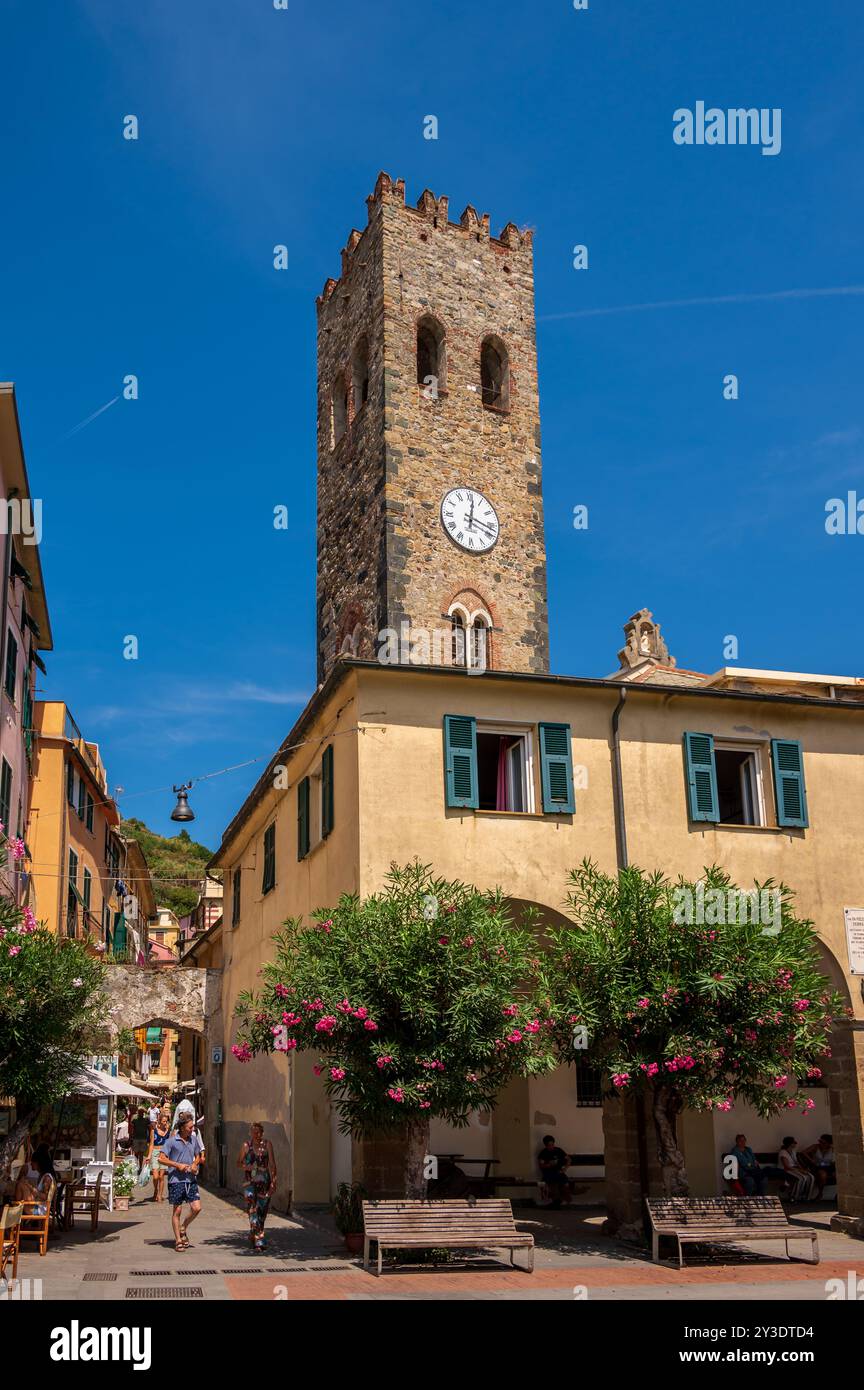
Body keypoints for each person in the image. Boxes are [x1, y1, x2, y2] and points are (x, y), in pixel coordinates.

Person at [159, 1114, 206, 1252]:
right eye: (190, 1127)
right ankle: (178, 1240)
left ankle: (183, 1227)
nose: (192, 1129)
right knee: (177, 1210)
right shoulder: (172, 1141)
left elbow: (198, 1155)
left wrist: (195, 1164)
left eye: (192, 1127)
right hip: (176, 1180)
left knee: (197, 1208)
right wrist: (176, 1165)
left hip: (190, 1179)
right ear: (182, 1128)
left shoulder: (193, 1139)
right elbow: (161, 1159)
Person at [237, 1122, 277, 1251]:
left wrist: (273, 1182)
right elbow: (238, 1163)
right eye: (253, 1132)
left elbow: (272, 1164)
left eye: (258, 1132)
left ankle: (254, 1232)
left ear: (262, 1133)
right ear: (250, 1133)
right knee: (252, 1208)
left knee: (262, 1210)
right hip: (250, 1182)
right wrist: (247, 1167)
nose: (256, 1134)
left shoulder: (267, 1145)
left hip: (264, 1182)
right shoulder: (245, 1146)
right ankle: (259, 1239)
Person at [14, 1147, 55, 1215]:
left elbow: (46, 1197)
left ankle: (16, 1209)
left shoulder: (47, 1178)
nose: (30, 1164)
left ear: (38, 1163)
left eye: (32, 1161)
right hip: (38, 1206)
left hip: (39, 1210)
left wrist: (30, 1187)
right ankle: (16, 1208)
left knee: (21, 1184)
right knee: (21, 1184)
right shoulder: (43, 1176)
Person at [537, 1134, 572, 1208]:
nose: (551, 1147)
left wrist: (565, 1168)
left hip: (558, 1172)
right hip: (548, 1173)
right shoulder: (543, 1153)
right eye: (549, 1145)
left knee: (565, 1182)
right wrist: (549, 1164)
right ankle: (557, 1201)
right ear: (546, 1145)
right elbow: (541, 1166)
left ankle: (563, 1198)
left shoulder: (558, 1150)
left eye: (552, 1144)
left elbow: (568, 1159)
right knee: (551, 1183)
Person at [778, 1137, 815, 1202]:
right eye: (794, 1142)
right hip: (786, 1169)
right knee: (802, 1178)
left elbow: (796, 1162)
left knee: (811, 1177)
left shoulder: (793, 1151)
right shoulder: (783, 1152)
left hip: (794, 1168)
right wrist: (800, 1171)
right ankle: (794, 1196)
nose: (796, 1143)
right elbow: (787, 1166)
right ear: (790, 1144)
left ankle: (806, 1197)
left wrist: (803, 1169)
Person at [147, 1107, 173, 1203]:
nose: (164, 1123)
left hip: (164, 1154)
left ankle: (160, 1195)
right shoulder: (154, 1131)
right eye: (163, 1121)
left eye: (166, 1121)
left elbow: (170, 1144)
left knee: (162, 1176)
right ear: (159, 1121)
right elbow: (151, 1144)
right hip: (155, 1152)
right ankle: (155, 1190)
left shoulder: (168, 1132)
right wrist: (149, 1156)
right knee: (155, 1176)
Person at [130, 1107, 151, 1173]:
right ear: (138, 1113)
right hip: (136, 1138)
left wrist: (149, 1137)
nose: (141, 1113)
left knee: (141, 1154)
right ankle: (136, 1167)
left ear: (143, 1113)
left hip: (143, 1138)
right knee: (136, 1153)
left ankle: (140, 1167)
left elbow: (149, 1129)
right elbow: (131, 1127)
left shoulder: (146, 1120)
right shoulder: (135, 1120)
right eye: (140, 1112)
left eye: (142, 1112)